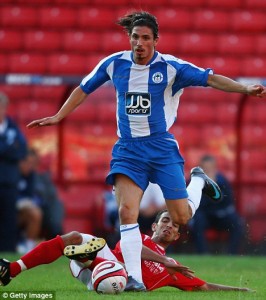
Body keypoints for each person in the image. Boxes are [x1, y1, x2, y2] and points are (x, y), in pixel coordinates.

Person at [26, 11, 266, 291]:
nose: (139, 43)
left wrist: (245, 88)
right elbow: (83, 89)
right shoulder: (114, 63)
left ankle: (198, 179)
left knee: (181, 217)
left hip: (162, 148)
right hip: (127, 149)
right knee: (127, 212)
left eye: (145, 38)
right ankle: (134, 281)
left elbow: (212, 79)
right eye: (135, 37)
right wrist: (58, 116)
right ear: (130, 38)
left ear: (156, 40)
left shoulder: (172, 68)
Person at [0, 210, 252, 292]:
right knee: (74, 236)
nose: (169, 226)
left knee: (113, 271)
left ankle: (85, 257)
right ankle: (11, 270)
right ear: (154, 225)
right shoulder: (137, 236)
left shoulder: (172, 267)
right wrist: (163, 259)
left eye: (174, 226)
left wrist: (243, 291)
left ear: (176, 237)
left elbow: (204, 286)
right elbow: (131, 249)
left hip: (110, 278)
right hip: (106, 262)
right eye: (165, 220)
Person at [189, 155, 245, 255]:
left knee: (237, 223)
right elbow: (196, 202)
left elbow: (227, 201)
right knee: (197, 222)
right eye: (205, 169)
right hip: (204, 216)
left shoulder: (222, 180)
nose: (208, 171)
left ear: (215, 168)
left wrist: (213, 185)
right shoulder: (193, 182)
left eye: (210, 168)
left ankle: (231, 255)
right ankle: (203, 255)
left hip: (221, 216)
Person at [0, 92, 28, 252]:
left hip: (9, 181)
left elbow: (22, 150)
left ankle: (8, 252)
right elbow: (13, 150)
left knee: (9, 218)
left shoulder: (13, 128)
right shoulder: (10, 133)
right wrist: (8, 148)